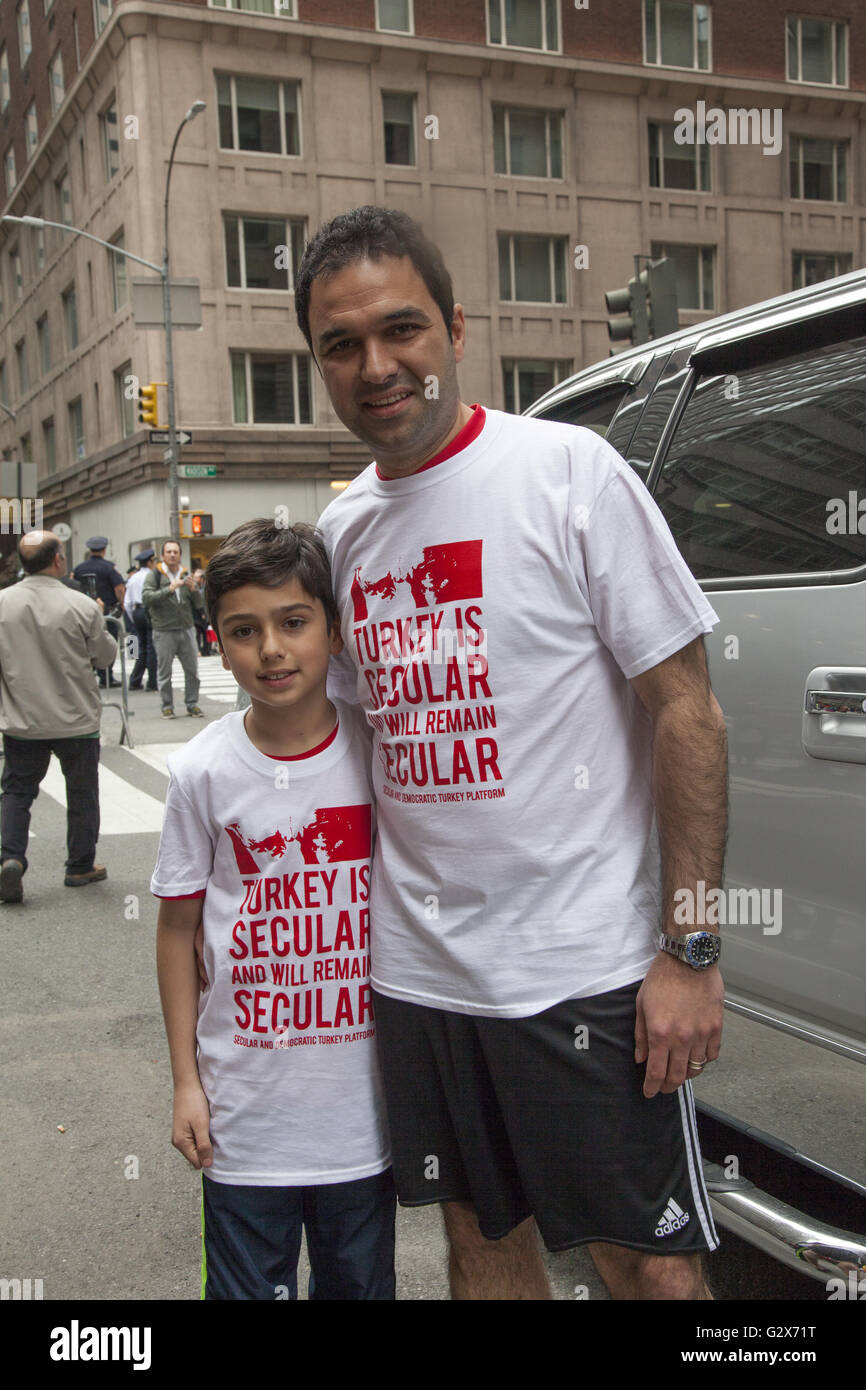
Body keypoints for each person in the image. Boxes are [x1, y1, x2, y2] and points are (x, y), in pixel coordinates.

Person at [298, 206, 729, 1301]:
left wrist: (687, 950)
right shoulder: (340, 536)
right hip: (419, 976)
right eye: (339, 345)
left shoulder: (567, 472)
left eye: (400, 329)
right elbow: (346, 750)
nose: (375, 365)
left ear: (453, 327)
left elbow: (686, 710)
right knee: (480, 1243)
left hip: (576, 969)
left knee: (647, 1264)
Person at [152, 517, 394, 1300]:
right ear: (218, 642)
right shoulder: (202, 771)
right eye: (244, 631)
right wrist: (187, 1082)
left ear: (333, 626)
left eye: (294, 622)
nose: (273, 650)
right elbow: (178, 930)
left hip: (362, 1123)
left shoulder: (378, 749)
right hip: (245, 1121)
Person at [0, 530, 117, 903]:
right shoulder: (82, 605)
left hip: (22, 720)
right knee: (82, 793)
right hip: (76, 721)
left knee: (17, 792)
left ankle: (11, 858)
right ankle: (80, 865)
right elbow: (105, 656)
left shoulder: (2, 603)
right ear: (58, 561)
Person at [142, 540, 204, 719]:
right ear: (163, 555)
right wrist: (170, 588)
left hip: (186, 628)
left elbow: (199, 605)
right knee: (164, 672)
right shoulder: (155, 575)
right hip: (163, 630)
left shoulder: (186, 574)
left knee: (192, 670)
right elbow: (146, 598)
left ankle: (192, 704)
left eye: (175, 552)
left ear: (180, 555)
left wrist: (193, 590)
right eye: (168, 552)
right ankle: (167, 706)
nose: (172, 555)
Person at [73, 536, 125, 688]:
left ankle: (91, 673)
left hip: (84, 610)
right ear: (104, 550)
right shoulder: (109, 567)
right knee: (108, 641)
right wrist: (121, 604)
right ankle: (106, 676)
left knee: (87, 642)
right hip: (107, 612)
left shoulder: (79, 568)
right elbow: (119, 588)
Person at [124, 549, 158, 692]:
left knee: (141, 648)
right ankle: (151, 682)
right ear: (150, 561)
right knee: (151, 648)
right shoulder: (152, 576)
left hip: (136, 611)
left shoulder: (133, 578)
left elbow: (127, 602)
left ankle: (135, 680)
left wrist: (133, 618)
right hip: (149, 610)